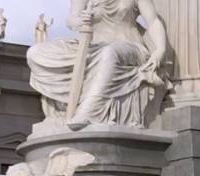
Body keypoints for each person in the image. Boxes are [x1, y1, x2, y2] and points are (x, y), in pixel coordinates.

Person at [26, 0, 167, 131]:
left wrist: (160, 49)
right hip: (91, 45)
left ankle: (89, 111)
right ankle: (66, 105)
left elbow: (153, 21)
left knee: (109, 53)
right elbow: (71, 19)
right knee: (35, 53)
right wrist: (81, 20)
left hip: (129, 47)